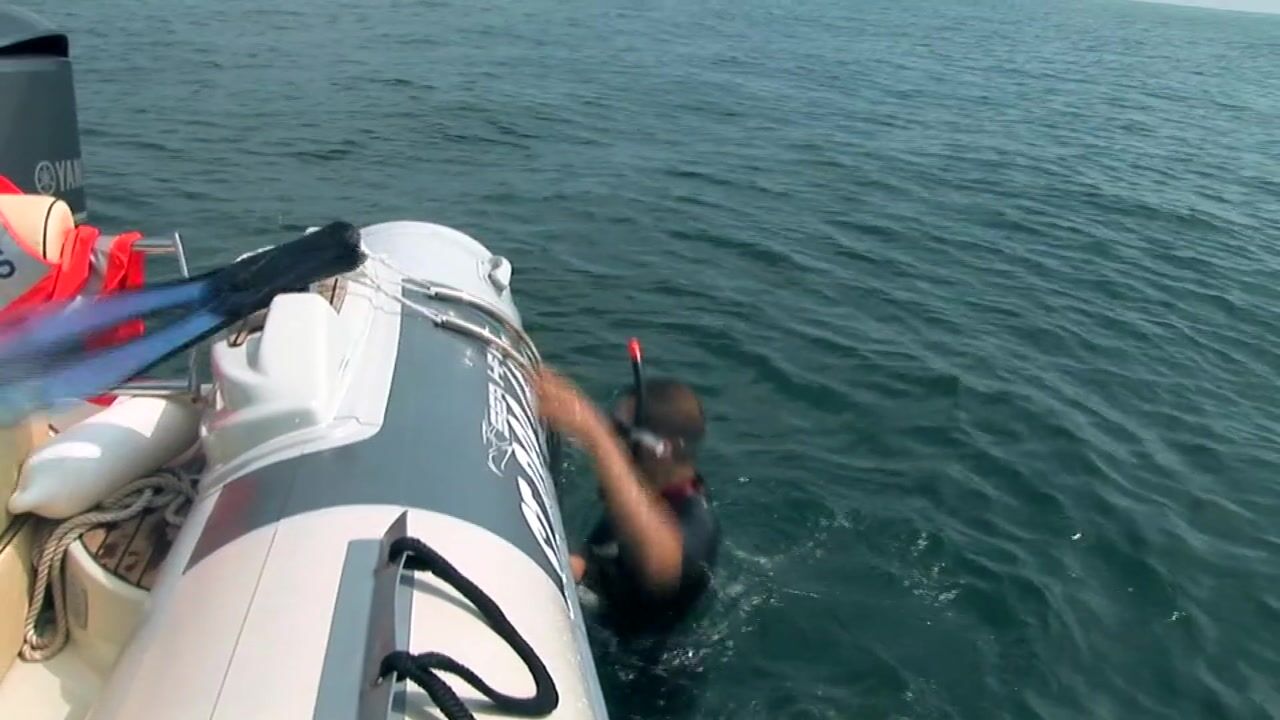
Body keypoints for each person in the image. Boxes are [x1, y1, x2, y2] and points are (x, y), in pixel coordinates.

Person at [531, 367, 720, 635]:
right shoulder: (645, 489)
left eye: (620, 431)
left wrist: (596, 436)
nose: (613, 437)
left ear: (661, 450)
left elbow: (663, 568)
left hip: (630, 655)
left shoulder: (699, 524)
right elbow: (599, 563)